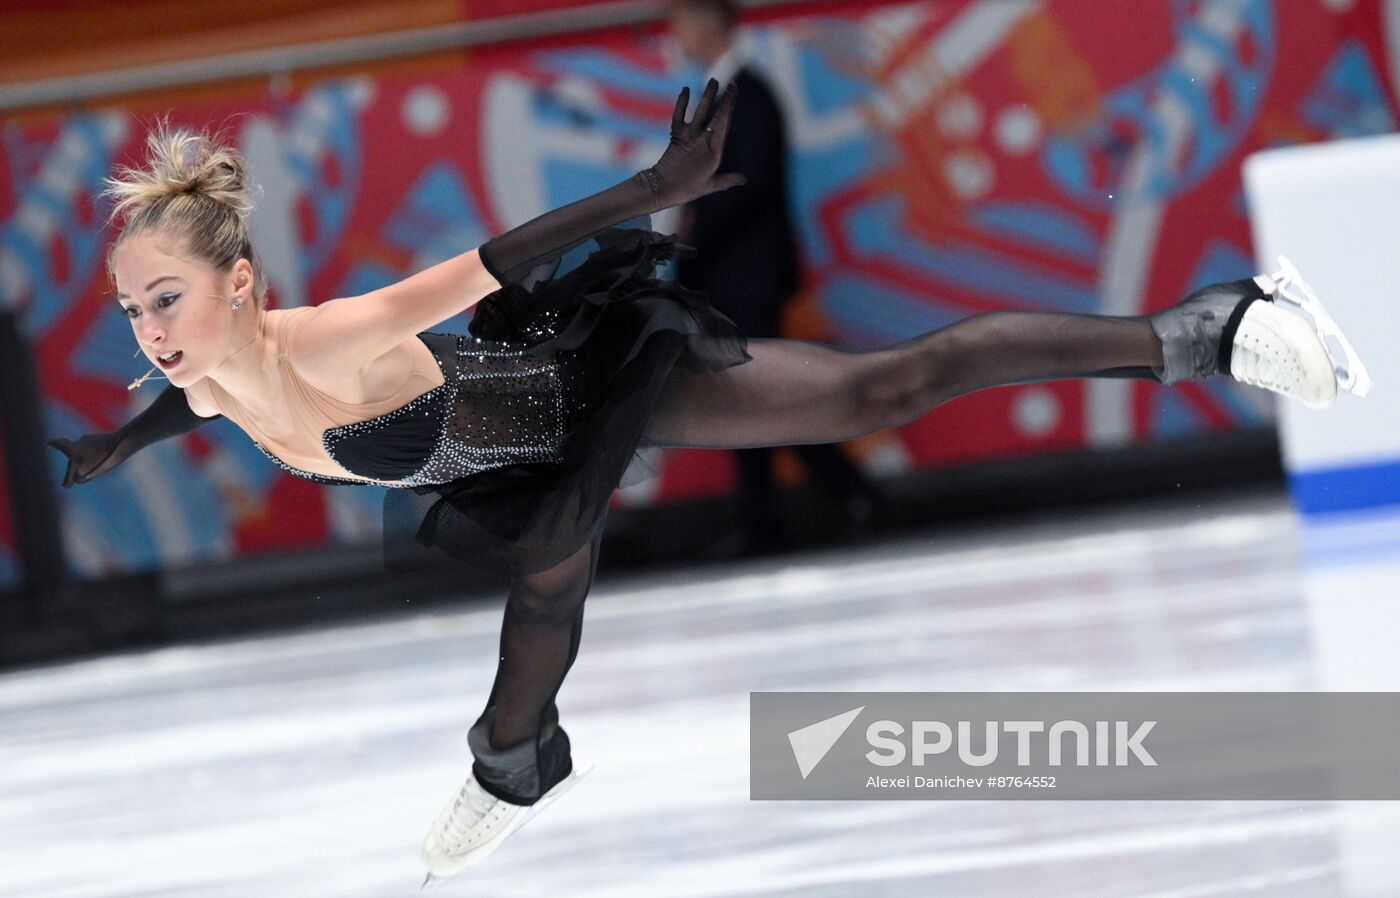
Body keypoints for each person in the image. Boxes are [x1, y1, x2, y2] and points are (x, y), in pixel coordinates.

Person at [47, 82, 1362, 882]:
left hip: (580, 388)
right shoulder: (212, 377)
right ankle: (512, 763)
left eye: (166, 297)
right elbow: (188, 399)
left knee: (877, 389)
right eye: (130, 305)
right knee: (545, 565)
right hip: (515, 454)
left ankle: (1218, 325)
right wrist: (121, 442)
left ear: (239, 284)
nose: (150, 329)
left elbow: (487, 265)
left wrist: (649, 188)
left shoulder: (326, 338)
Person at [670, 0, 884, 554]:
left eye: (681, 23)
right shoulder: (731, 93)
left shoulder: (746, 94)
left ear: (704, 25)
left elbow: (746, 180)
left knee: (754, 403)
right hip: (736, 277)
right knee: (756, 404)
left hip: (746, 278)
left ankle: (812, 506)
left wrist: (692, 228)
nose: (676, 36)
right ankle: (830, 500)